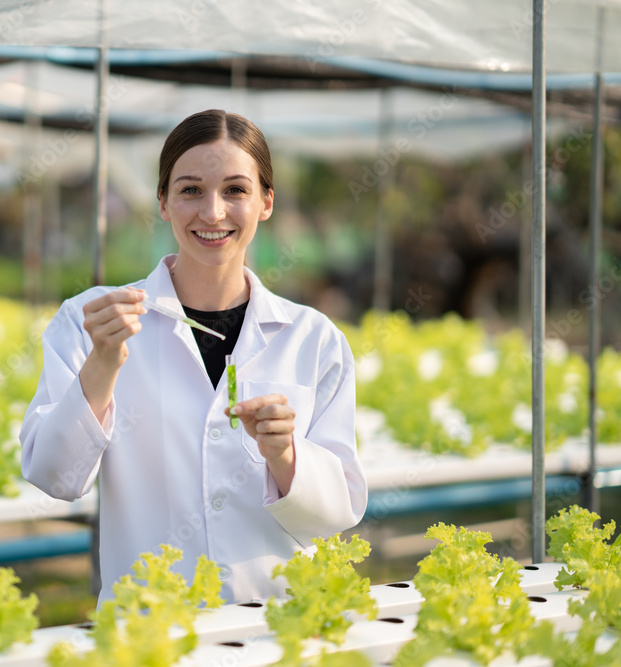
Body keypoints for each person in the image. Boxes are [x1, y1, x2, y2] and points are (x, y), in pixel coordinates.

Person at [20, 109, 366, 603]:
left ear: (266, 202)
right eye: (189, 190)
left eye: (235, 190)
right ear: (162, 202)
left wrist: (286, 456)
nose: (213, 212)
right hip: (150, 630)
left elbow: (340, 509)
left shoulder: (313, 339)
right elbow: (54, 476)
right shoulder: (90, 321)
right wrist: (101, 365)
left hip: (275, 627)